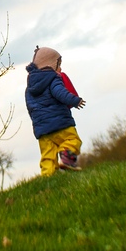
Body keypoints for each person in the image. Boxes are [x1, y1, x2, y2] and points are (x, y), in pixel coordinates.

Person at [24, 46, 86, 176]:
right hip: (60, 123)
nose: (61, 69)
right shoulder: (53, 78)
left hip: (42, 129)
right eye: (59, 65)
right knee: (73, 141)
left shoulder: (29, 87)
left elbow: (30, 108)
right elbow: (60, 93)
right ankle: (67, 155)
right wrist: (75, 100)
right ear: (51, 64)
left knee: (48, 156)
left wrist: (38, 123)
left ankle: (48, 177)